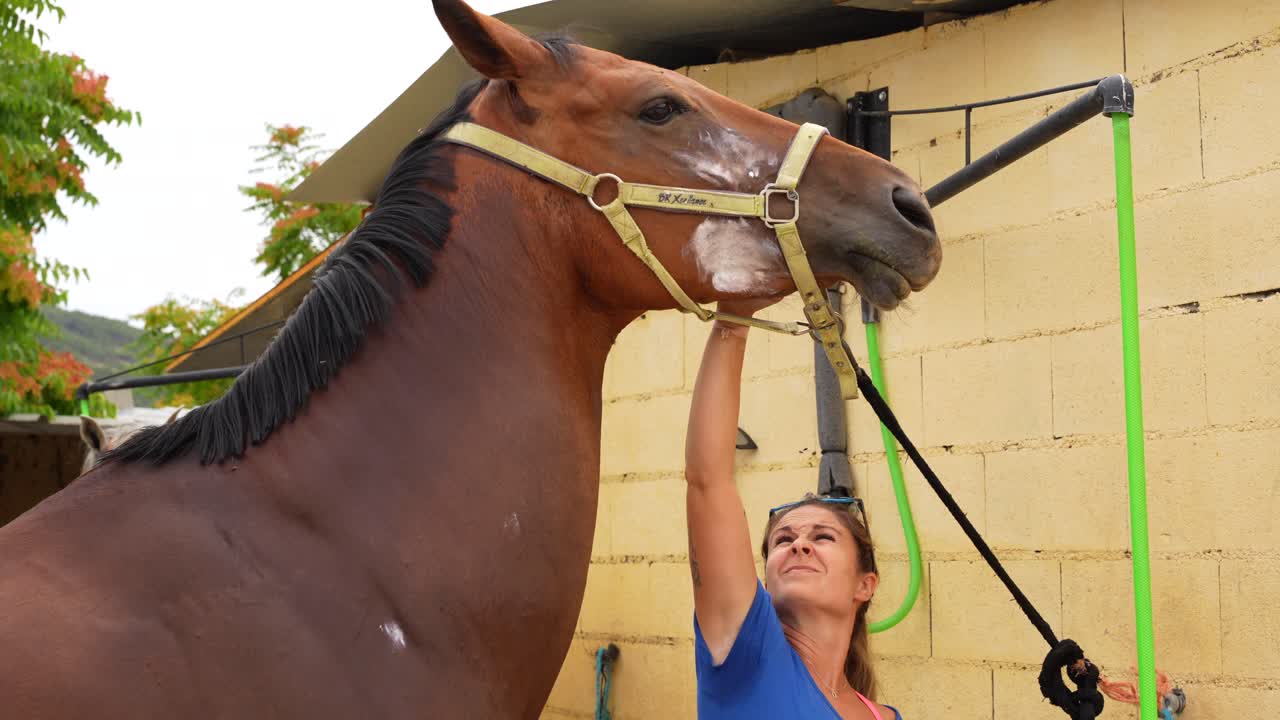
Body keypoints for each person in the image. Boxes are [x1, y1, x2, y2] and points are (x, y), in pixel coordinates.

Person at [685, 300, 901, 720]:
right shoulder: (746, 656)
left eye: (822, 536)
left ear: (865, 585)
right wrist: (735, 316)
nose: (798, 545)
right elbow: (708, 480)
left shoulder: (885, 717)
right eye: (783, 540)